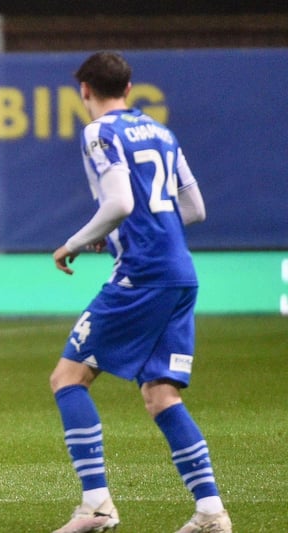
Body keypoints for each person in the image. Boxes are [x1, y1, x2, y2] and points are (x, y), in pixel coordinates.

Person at [48, 51, 231, 533]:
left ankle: (97, 505)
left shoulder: (98, 132)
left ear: (84, 90)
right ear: (128, 89)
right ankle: (211, 512)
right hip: (180, 273)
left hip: (142, 275)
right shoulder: (161, 132)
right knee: (160, 393)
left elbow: (121, 201)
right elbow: (194, 209)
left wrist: (74, 242)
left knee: (68, 378)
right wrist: (125, 234)